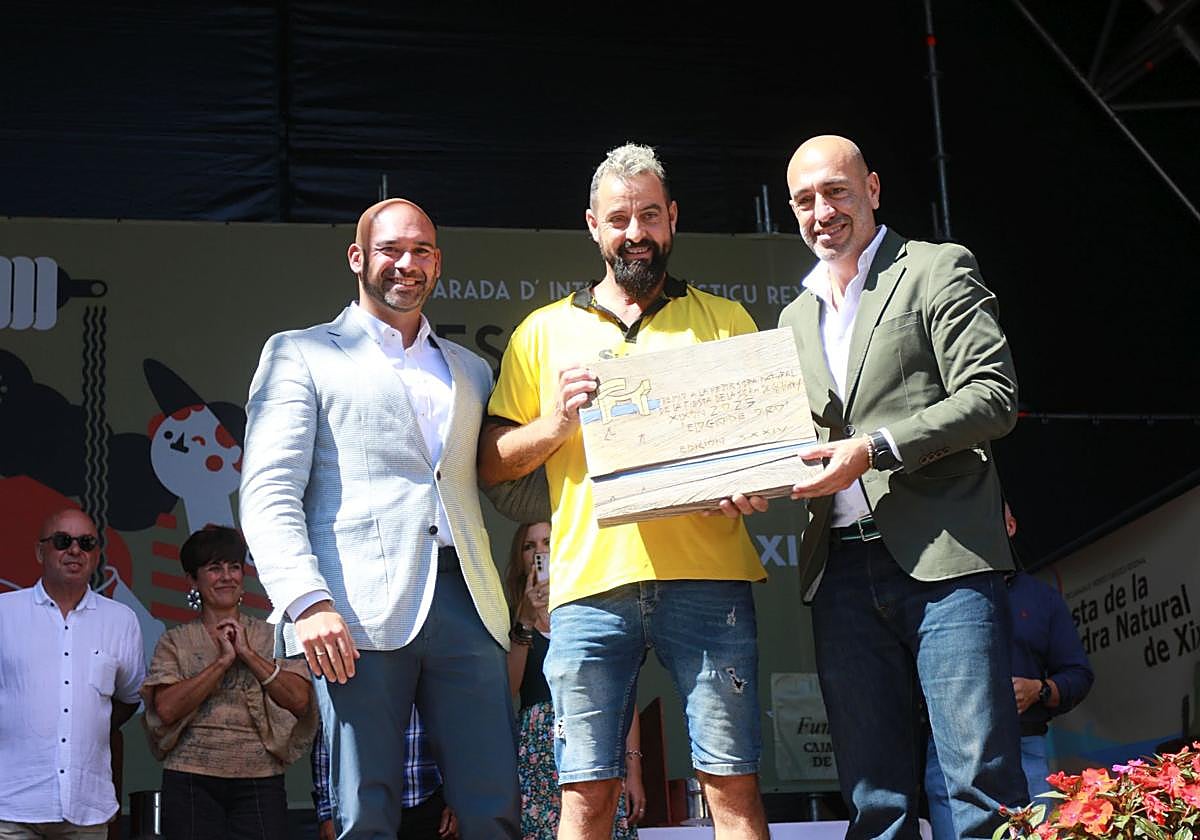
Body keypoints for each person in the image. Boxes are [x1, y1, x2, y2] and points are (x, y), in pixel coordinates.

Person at [479, 143, 770, 840]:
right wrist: (553, 421)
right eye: (618, 219)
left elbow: (764, 451)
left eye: (648, 214)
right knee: (585, 796)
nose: (634, 231)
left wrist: (751, 487)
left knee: (731, 787)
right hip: (588, 588)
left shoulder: (727, 321)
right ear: (592, 226)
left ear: (672, 218)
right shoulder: (542, 332)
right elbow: (492, 463)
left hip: (710, 576)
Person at [239, 197, 520, 839]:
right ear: (358, 257)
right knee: (365, 812)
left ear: (438, 263)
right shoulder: (299, 353)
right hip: (354, 609)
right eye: (391, 248)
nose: (407, 263)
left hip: (468, 601)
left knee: (493, 807)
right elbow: (268, 489)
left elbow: (496, 478)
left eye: (422, 250)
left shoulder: (471, 369)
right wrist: (308, 601)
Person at [774, 135, 1027, 839]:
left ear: (874, 189)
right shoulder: (794, 318)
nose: (821, 211)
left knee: (981, 789)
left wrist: (876, 449)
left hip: (944, 562)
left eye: (835, 192)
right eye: (804, 200)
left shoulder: (936, 269)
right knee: (875, 804)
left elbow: (992, 395)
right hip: (842, 575)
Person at [924, 504, 1094, 840]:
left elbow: (1078, 674)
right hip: (948, 751)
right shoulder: (932, 598)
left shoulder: (1041, 598)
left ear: (1011, 526)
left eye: (988, 517)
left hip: (1025, 745)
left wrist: (1038, 689)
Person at [141, 526, 317, 840]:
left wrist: (248, 654)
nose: (226, 576)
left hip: (260, 780)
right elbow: (165, 710)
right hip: (190, 780)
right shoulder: (175, 641)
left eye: (234, 567)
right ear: (193, 580)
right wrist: (222, 662)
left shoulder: (271, 635)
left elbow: (300, 701)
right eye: (214, 568)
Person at [0, 508, 145, 839]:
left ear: (96, 555)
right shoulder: (4, 613)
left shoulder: (121, 620)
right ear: (41, 551)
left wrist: (83, 723)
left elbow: (128, 698)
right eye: (63, 541)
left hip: (87, 805)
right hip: (10, 804)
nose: (75, 550)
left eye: (86, 543)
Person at [504, 522, 644, 840]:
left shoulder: (593, 612)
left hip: (595, 736)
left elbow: (623, 695)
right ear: (520, 556)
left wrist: (634, 769)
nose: (540, 551)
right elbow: (508, 690)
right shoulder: (509, 616)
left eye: (548, 542)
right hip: (536, 749)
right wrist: (525, 620)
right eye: (530, 545)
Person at [311, 709, 459, 840]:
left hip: (432, 805)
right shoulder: (357, 683)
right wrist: (327, 814)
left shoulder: (438, 683)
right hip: (366, 805)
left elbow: (462, 740)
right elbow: (328, 739)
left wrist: (459, 803)